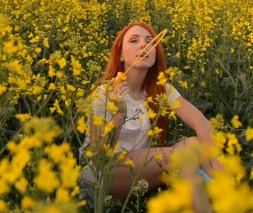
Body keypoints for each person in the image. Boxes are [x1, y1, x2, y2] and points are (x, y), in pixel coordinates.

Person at [79, 22, 221, 212]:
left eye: (149, 41)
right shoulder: (104, 94)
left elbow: (200, 121)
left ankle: (225, 196)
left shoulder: (159, 89)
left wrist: (218, 165)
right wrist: (118, 113)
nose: (144, 45)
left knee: (194, 145)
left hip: (139, 175)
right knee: (181, 156)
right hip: (101, 179)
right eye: (134, 40)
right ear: (120, 55)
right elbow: (98, 156)